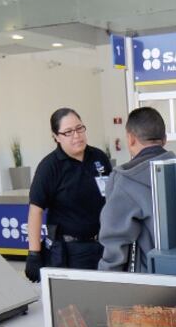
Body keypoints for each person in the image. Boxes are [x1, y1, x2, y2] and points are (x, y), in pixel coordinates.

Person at [25, 107, 112, 281]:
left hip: (103, 246)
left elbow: (111, 198)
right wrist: (33, 254)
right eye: (68, 132)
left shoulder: (98, 158)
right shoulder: (50, 167)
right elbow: (36, 211)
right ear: (56, 137)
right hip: (70, 251)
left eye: (79, 128)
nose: (77, 136)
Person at [98, 107, 176, 272]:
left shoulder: (125, 179)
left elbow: (115, 242)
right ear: (164, 139)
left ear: (131, 138)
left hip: (148, 280)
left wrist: (106, 280)